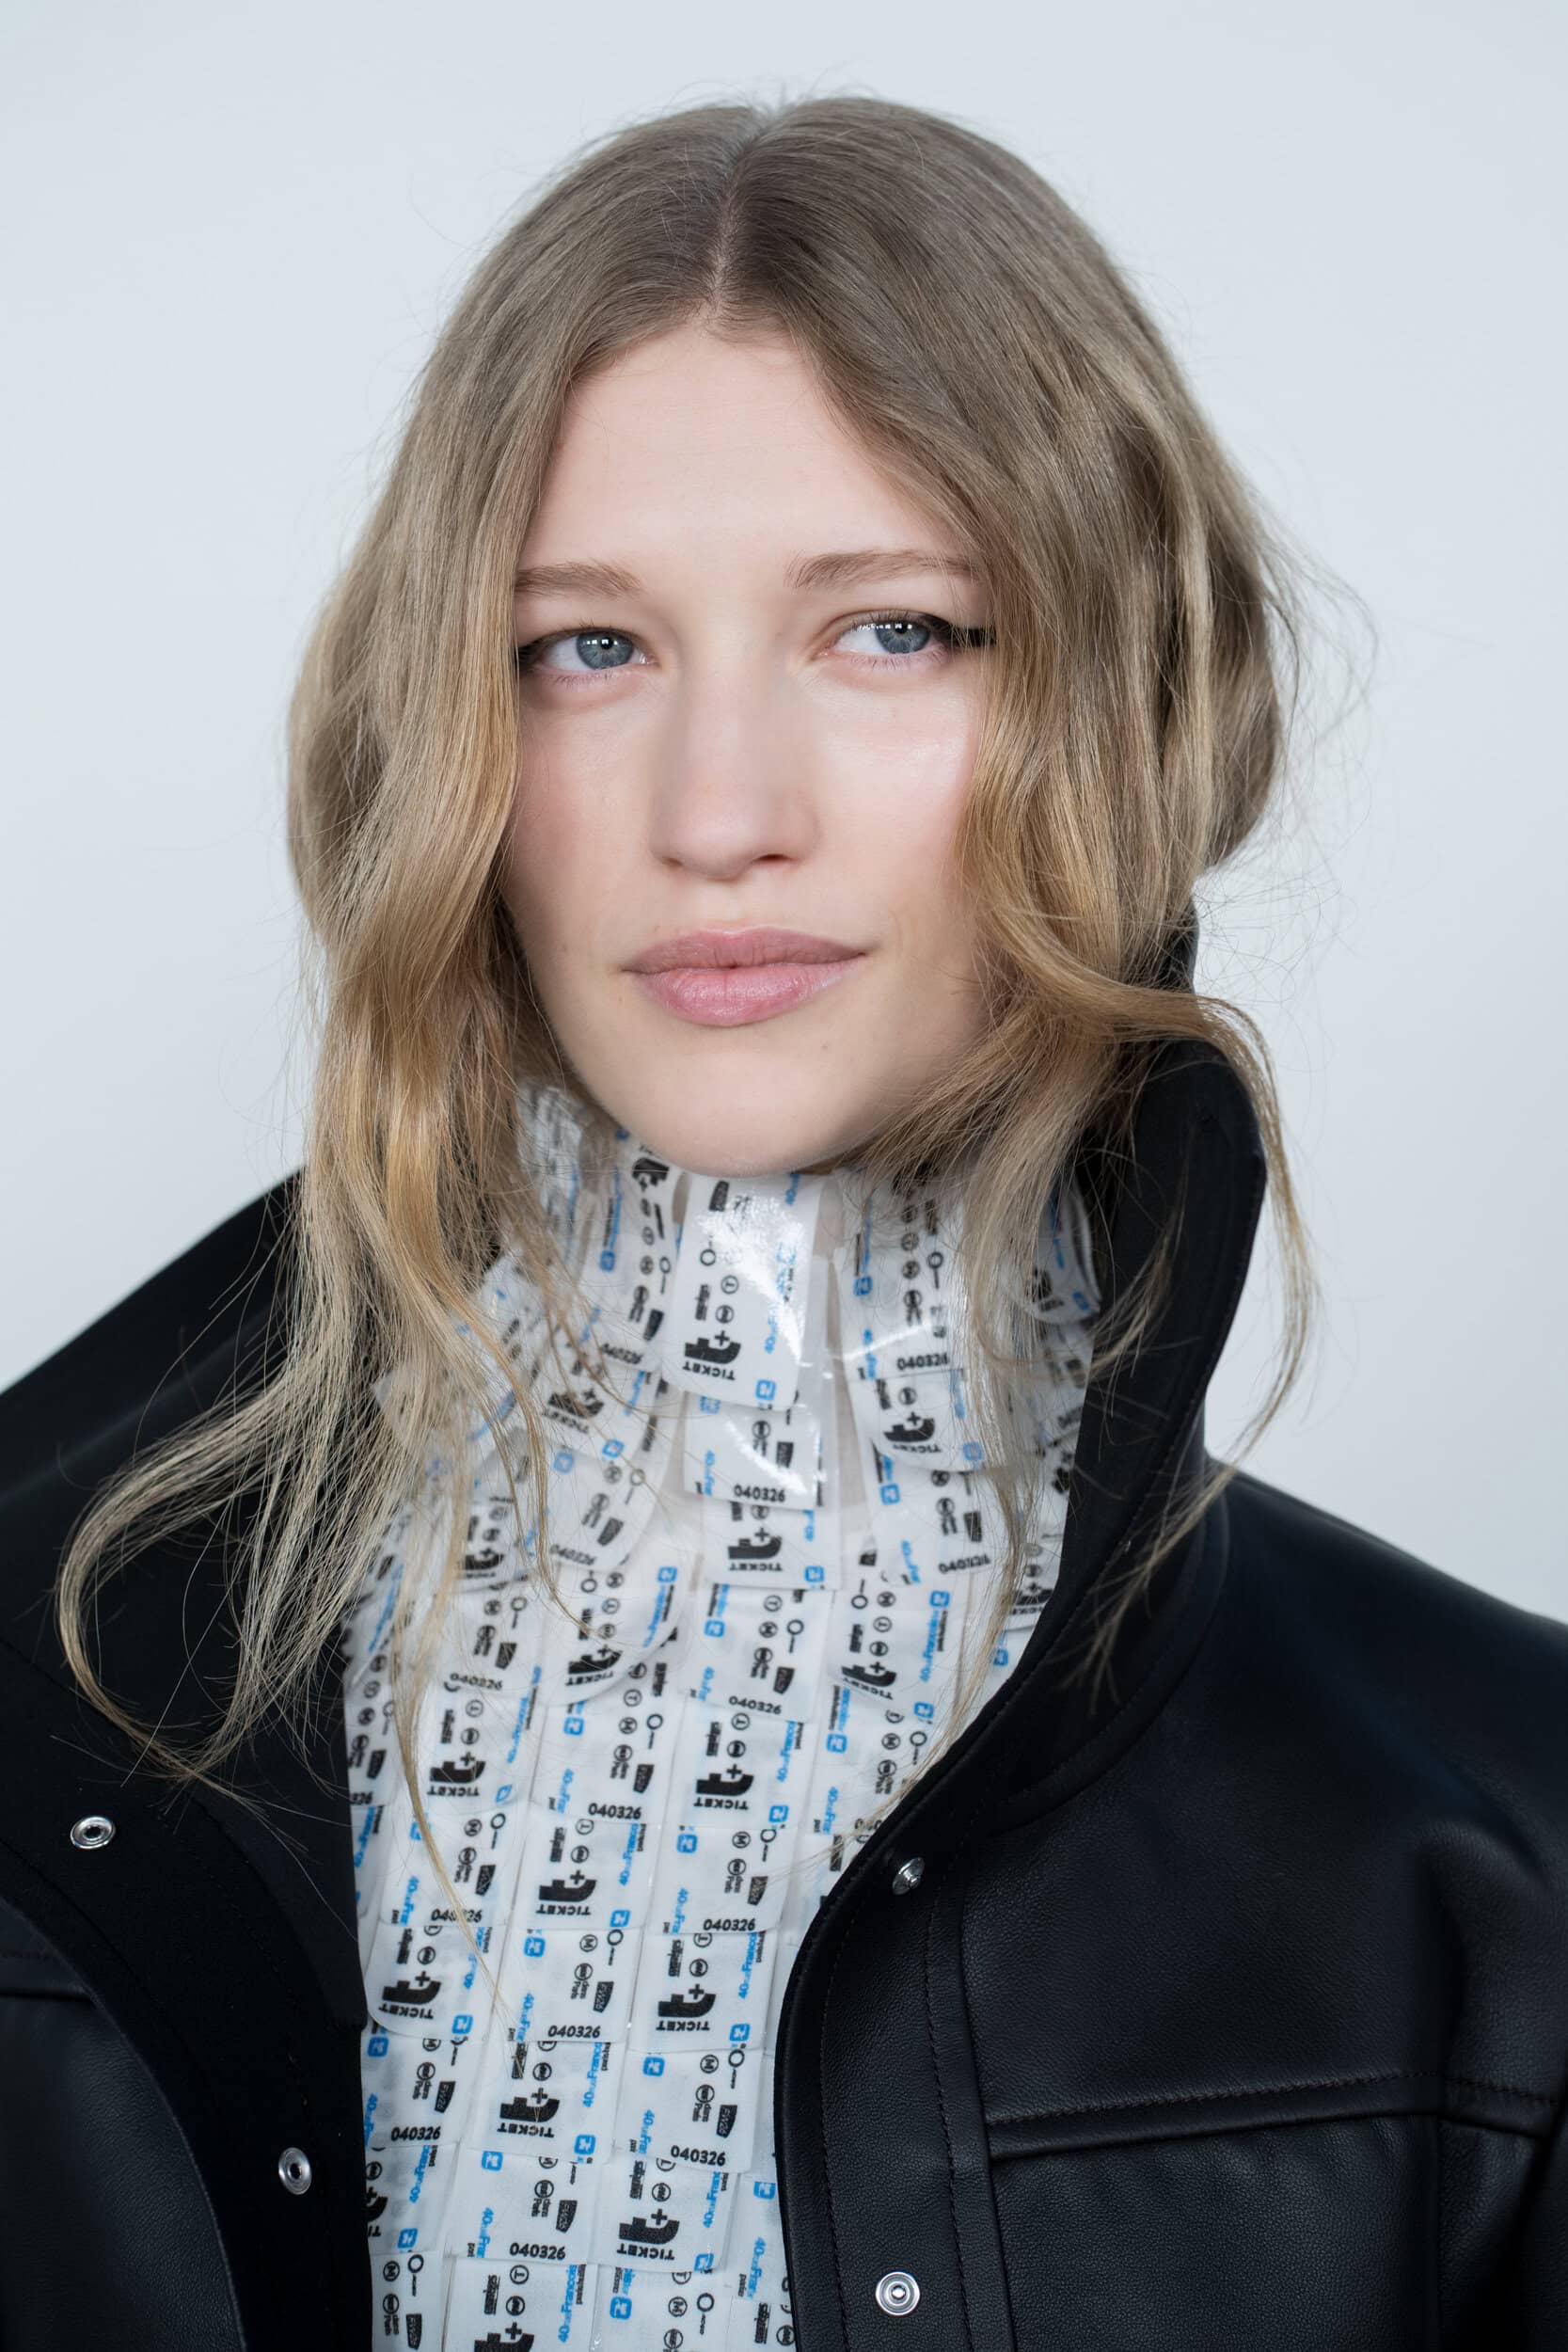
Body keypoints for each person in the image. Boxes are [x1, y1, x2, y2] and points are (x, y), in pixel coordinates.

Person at [0, 90, 1562, 2352]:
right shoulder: (42, 1668)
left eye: (895, 630)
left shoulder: (1501, 1839)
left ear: (1127, 701)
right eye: (585, 649)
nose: (720, 810)